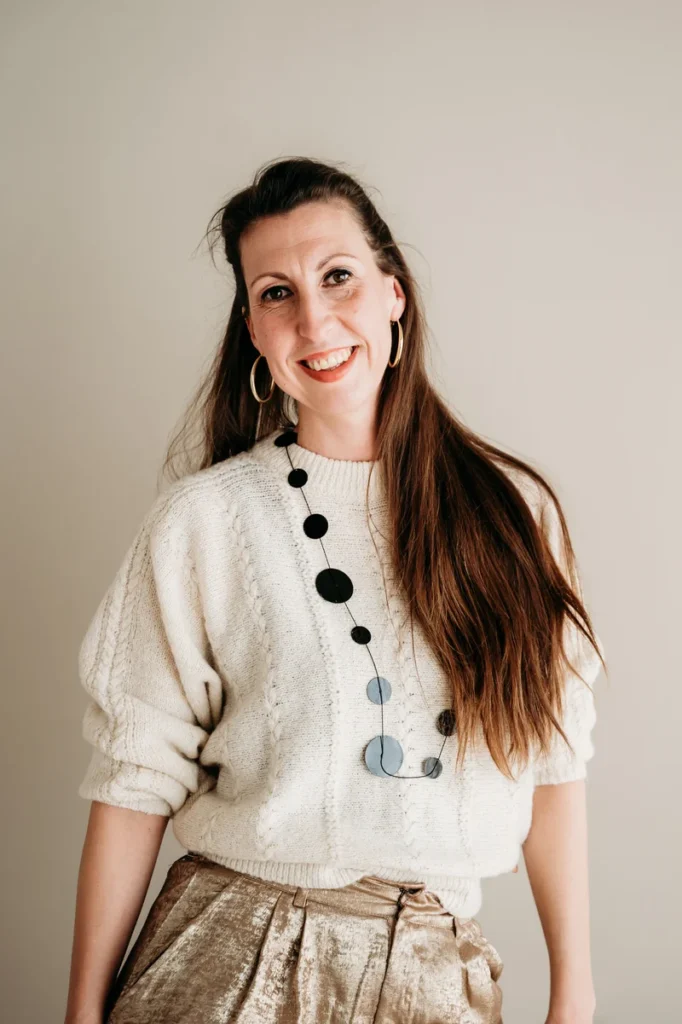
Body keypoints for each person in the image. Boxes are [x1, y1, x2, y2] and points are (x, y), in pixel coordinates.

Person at [64, 157, 606, 1024]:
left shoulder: (515, 515)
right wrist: (82, 1011)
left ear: (395, 293)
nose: (314, 319)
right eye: (276, 293)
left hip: (434, 974)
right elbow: (134, 782)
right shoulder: (205, 521)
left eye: (339, 276)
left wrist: (574, 993)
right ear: (253, 329)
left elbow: (554, 762)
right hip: (230, 959)